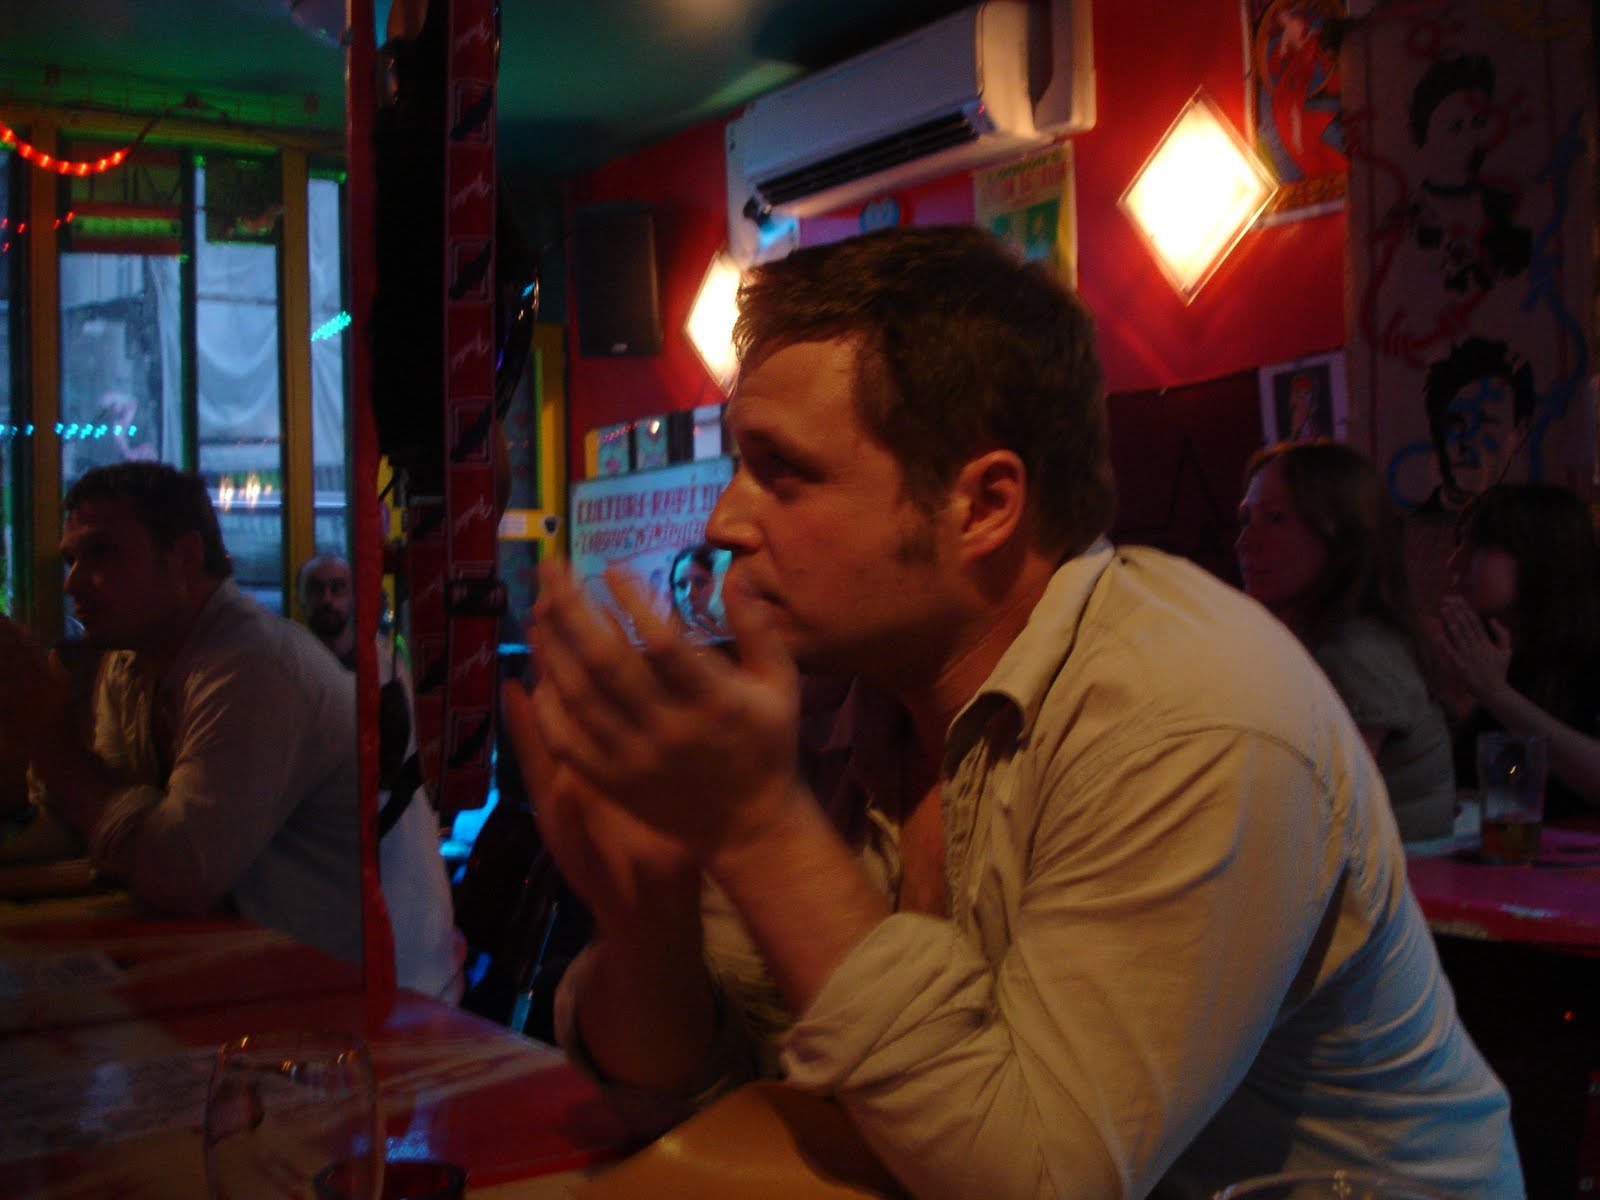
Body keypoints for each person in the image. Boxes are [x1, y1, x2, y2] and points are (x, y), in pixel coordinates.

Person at [501, 227, 1520, 1199]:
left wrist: (757, 829)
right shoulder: (829, 696)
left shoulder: (1187, 713)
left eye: (785, 473)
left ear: (984, 506)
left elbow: (1038, 1179)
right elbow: (682, 1095)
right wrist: (648, 917)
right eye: (737, 467)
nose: (725, 520)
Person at [0, 463, 361, 964]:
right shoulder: (131, 662)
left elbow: (178, 873)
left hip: (353, 985)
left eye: (101, 552)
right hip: (247, 962)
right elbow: (102, 826)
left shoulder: (251, 664)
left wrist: (48, 735)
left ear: (185, 557)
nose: (72, 582)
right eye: (70, 559)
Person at [1236, 440, 1456, 840]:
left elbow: (1326, 812)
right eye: (1246, 518)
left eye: (1275, 519)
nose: (1246, 542)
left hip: (1402, 872)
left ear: (1342, 541)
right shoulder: (1304, 642)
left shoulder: (1357, 653)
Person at [295, 553, 466, 1001]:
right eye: (317, 589)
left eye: (338, 588)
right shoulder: (292, 673)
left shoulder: (390, 666)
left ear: (356, 597)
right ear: (301, 599)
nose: (328, 600)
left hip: (400, 857)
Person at [1430, 483, 1600, 820]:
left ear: (1541, 556)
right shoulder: (1496, 653)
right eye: (1459, 542)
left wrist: (1497, 694)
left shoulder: (1589, 654)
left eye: (1478, 546)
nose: (1454, 562)